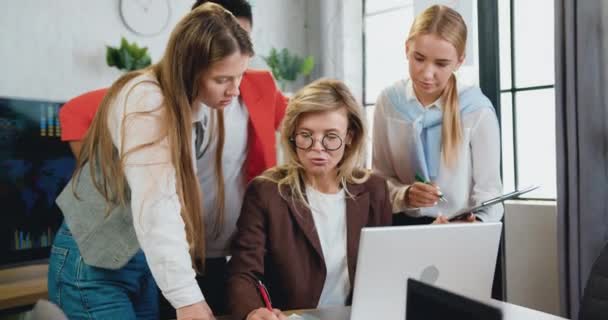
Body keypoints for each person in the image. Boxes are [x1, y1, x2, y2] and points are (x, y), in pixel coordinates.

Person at [47, 4, 253, 319]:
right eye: (223, 78)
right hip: (92, 266)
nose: (235, 90)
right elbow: (157, 205)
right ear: (190, 67)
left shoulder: (194, 106)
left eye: (239, 76)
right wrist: (189, 300)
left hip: (139, 264)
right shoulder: (147, 100)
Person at [227, 79, 393, 320]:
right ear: (292, 135)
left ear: (350, 136)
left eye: (331, 137)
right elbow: (243, 272)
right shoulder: (267, 192)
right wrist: (253, 312)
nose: (317, 148)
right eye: (306, 135)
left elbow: (385, 270)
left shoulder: (374, 189)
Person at [372, 5, 503, 224]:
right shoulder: (389, 102)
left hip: (460, 229)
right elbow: (379, 178)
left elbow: (490, 191)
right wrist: (404, 195)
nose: (427, 73)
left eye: (441, 64)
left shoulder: (477, 110)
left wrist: (477, 223)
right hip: (402, 226)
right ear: (406, 49)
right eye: (419, 58)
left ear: (460, 61)